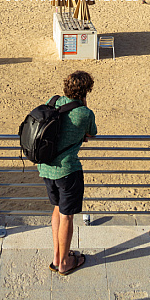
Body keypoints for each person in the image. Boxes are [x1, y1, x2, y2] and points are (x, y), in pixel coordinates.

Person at [38, 71, 97, 275]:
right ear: (86, 91)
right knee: (67, 216)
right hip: (67, 171)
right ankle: (64, 263)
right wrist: (84, 105)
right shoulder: (85, 113)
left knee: (56, 209)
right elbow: (91, 132)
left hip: (45, 168)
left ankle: (57, 256)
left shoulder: (52, 101)